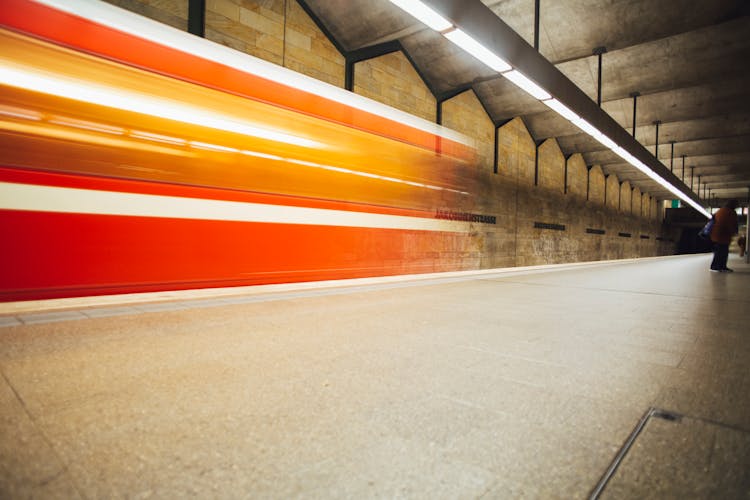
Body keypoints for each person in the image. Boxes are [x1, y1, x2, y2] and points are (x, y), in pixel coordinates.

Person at [710, 199, 739, 272]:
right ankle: (717, 267)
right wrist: (733, 232)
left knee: (719, 252)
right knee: (722, 252)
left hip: (717, 234)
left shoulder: (721, 210)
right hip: (723, 235)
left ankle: (718, 266)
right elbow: (730, 224)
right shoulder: (730, 212)